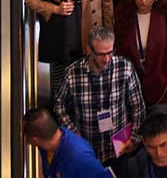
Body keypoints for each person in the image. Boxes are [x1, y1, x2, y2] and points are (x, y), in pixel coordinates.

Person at [58, 23, 148, 168]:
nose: (106, 59)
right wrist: (75, 135)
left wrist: (135, 138)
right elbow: (59, 107)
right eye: (101, 54)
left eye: (110, 52)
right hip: (86, 151)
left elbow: (138, 106)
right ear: (89, 50)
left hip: (119, 149)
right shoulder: (72, 74)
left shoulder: (124, 68)